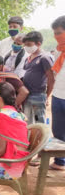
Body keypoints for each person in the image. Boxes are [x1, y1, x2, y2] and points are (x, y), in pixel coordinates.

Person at [23, 31, 55, 124]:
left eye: (29, 44)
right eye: (25, 45)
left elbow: (51, 79)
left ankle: (41, 138)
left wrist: (46, 96)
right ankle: (31, 138)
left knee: (39, 120)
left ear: (38, 44)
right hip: (27, 95)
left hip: (38, 95)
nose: (26, 47)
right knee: (27, 120)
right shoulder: (28, 58)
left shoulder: (44, 58)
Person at [49, 16, 65, 170]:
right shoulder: (59, 51)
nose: (57, 37)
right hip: (59, 95)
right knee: (58, 130)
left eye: (59, 33)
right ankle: (60, 161)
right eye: (55, 34)